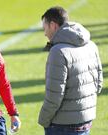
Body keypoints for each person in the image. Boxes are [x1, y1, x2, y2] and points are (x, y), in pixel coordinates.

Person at [38, 6, 103, 135]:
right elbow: (99, 83)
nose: (44, 33)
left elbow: (54, 95)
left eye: (44, 27)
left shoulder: (58, 51)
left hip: (62, 126)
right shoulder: (91, 45)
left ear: (53, 25)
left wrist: (43, 120)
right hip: (86, 122)